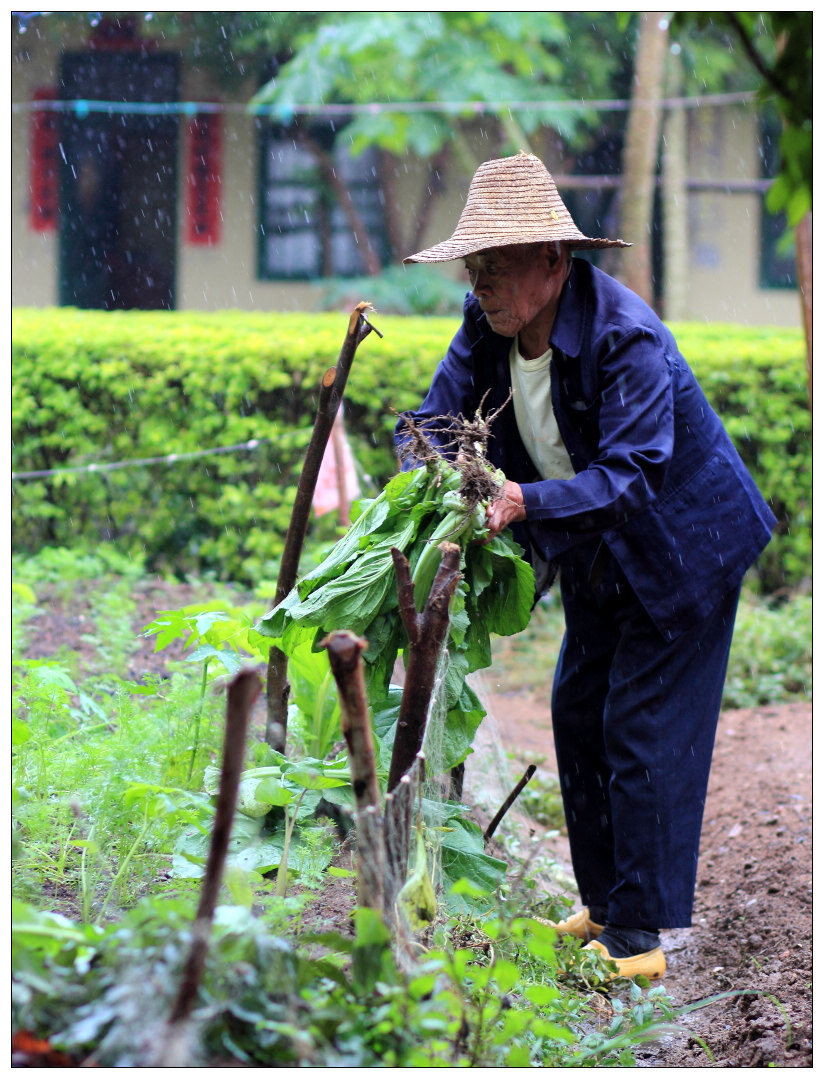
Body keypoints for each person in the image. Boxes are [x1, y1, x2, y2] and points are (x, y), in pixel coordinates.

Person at [395, 151, 775, 979]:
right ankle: (605, 905)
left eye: (497, 265)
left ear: (553, 259)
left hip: (684, 549)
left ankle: (640, 938)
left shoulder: (621, 336)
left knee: (640, 725)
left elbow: (632, 477)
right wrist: (432, 477)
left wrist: (522, 500)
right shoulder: (484, 327)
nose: (481, 283)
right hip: (597, 549)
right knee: (576, 709)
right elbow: (427, 425)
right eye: (474, 266)